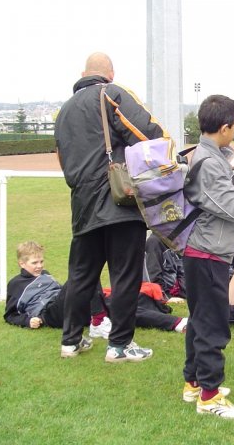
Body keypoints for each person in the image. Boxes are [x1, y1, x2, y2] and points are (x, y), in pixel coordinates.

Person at [55, 52, 165, 362]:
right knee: (125, 275)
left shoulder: (64, 110)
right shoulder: (111, 93)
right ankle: (119, 345)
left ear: (83, 74)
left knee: (81, 275)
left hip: (82, 204)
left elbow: (62, 158)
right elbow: (149, 133)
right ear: (110, 74)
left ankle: (70, 341)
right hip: (119, 201)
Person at [181, 95, 234, 419]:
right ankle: (209, 397)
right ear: (224, 128)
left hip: (203, 251)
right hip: (207, 253)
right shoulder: (209, 163)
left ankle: (194, 383)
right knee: (212, 325)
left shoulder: (208, 155)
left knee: (200, 321)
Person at [4, 241, 110, 338]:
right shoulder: (16, 284)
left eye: (41, 261)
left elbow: (61, 291)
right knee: (85, 275)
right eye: (34, 263)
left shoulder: (45, 274)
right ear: (22, 263)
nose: (39, 266)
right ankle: (98, 322)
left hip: (63, 304)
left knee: (108, 296)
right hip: (49, 313)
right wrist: (27, 321)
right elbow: (10, 315)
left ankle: (102, 318)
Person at [144, 233, 186, 300]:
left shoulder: (176, 240)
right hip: (164, 293)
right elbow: (154, 277)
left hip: (178, 291)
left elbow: (182, 271)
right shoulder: (154, 242)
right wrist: (167, 298)